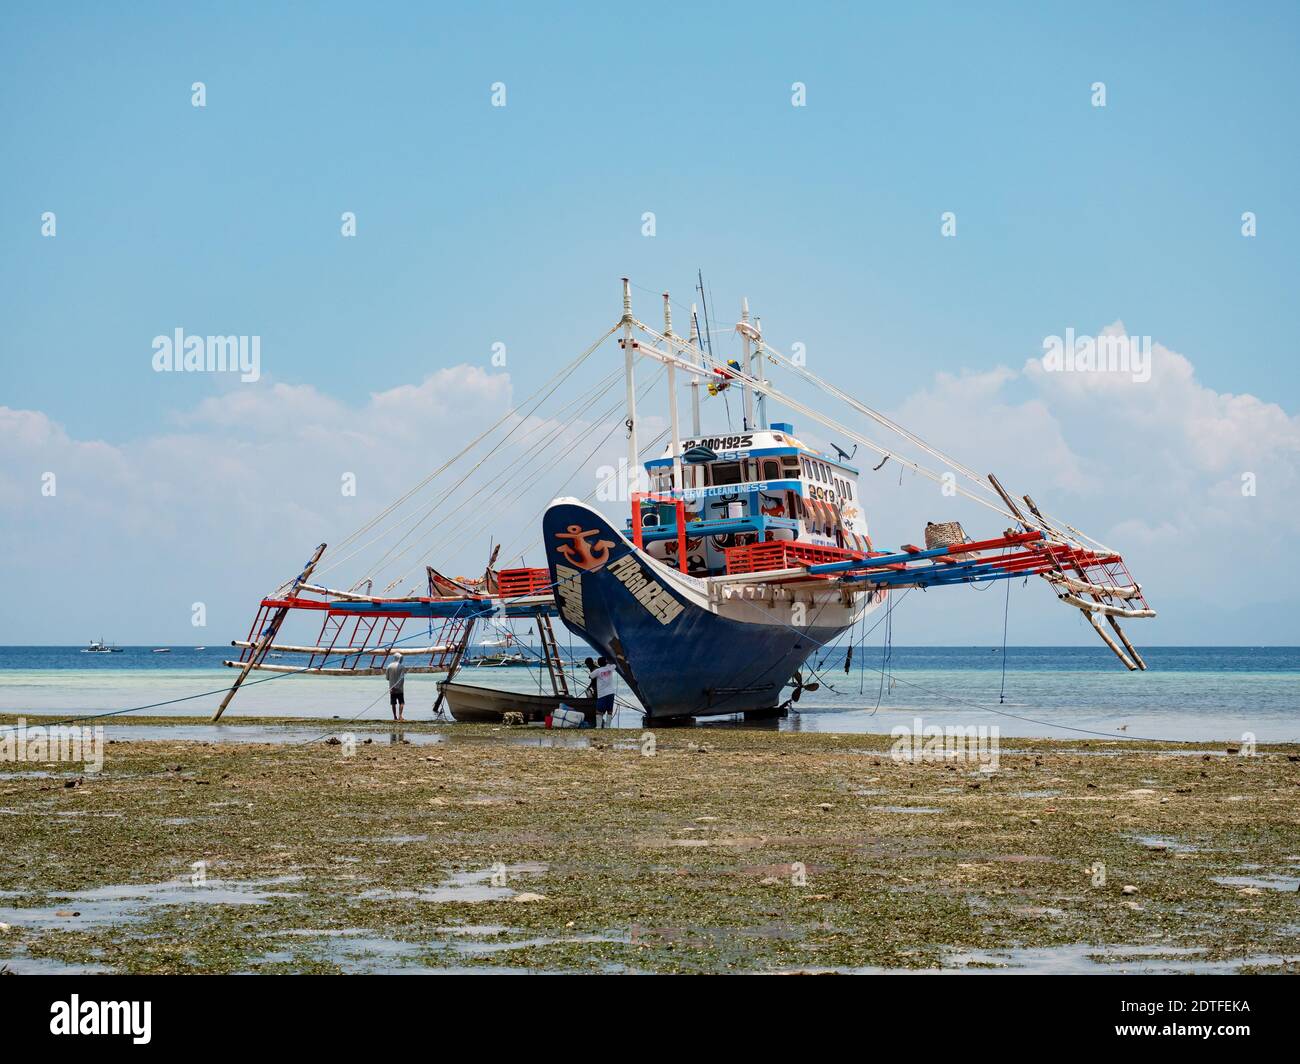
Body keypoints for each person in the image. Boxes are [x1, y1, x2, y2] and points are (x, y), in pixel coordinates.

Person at [591, 655, 616, 727]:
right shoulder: (610, 668)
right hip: (611, 692)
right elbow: (614, 664)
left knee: (599, 711)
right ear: (606, 662)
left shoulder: (598, 670)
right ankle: (608, 726)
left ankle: (598, 726)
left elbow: (591, 676)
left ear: (598, 663)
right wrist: (609, 662)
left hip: (602, 694)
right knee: (609, 711)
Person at [385, 650, 407, 721]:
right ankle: (400, 716)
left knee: (393, 703)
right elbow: (402, 678)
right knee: (401, 702)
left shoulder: (389, 666)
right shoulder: (402, 667)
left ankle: (395, 717)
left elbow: (387, 678)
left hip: (392, 688)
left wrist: (393, 686)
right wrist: (397, 687)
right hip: (400, 689)